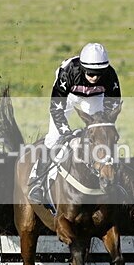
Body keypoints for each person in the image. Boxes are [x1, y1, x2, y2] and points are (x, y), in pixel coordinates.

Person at [27, 42, 122, 203]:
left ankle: (110, 180)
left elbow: (113, 104)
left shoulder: (110, 75)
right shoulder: (68, 72)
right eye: (90, 73)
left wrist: (102, 123)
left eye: (99, 73)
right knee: (53, 138)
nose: (95, 77)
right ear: (83, 68)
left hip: (94, 98)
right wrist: (66, 133)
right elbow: (56, 108)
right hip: (68, 97)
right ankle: (37, 181)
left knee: (103, 137)